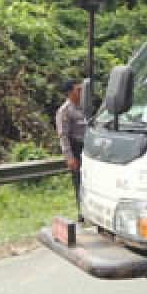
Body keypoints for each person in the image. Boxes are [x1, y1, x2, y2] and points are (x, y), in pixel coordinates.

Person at [55, 79, 87, 222]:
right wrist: (69, 157)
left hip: (87, 149)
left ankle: (89, 211)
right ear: (69, 92)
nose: (81, 91)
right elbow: (63, 135)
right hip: (75, 149)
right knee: (78, 182)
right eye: (77, 89)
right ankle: (81, 213)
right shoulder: (65, 111)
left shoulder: (84, 107)